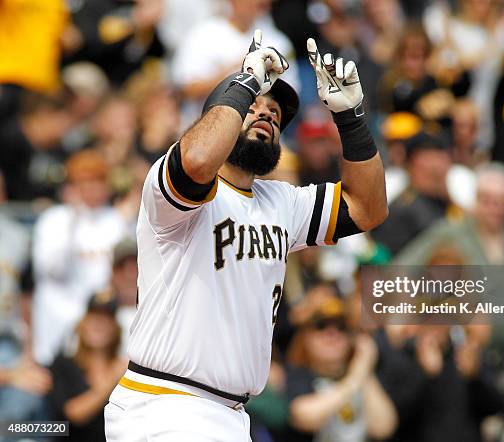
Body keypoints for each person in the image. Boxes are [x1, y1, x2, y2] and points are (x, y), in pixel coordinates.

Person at [104, 30, 387, 441]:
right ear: (222, 114)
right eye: (253, 106)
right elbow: (199, 160)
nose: (267, 114)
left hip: (230, 413)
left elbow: (369, 208)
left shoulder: (282, 202)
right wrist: (244, 82)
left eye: (275, 112)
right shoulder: (175, 180)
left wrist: (351, 118)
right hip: (163, 403)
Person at [31, 149, 127, 365]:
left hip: (100, 333)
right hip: (57, 327)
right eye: (85, 182)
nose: (93, 189)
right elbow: (51, 268)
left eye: (98, 181)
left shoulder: (116, 221)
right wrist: (72, 219)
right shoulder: (54, 219)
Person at [285, 295, 397, 442]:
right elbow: (304, 417)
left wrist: (363, 365)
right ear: (305, 337)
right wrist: (356, 377)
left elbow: (383, 428)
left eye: (341, 327)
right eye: (321, 325)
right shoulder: (297, 376)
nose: (332, 334)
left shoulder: (364, 375)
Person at [48, 292, 126, 442]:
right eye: (93, 317)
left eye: (107, 319)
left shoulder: (125, 368)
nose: (99, 324)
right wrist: (112, 378)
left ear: (116, 328)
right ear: (82, 323)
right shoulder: (63, 364)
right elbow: (74, 413)